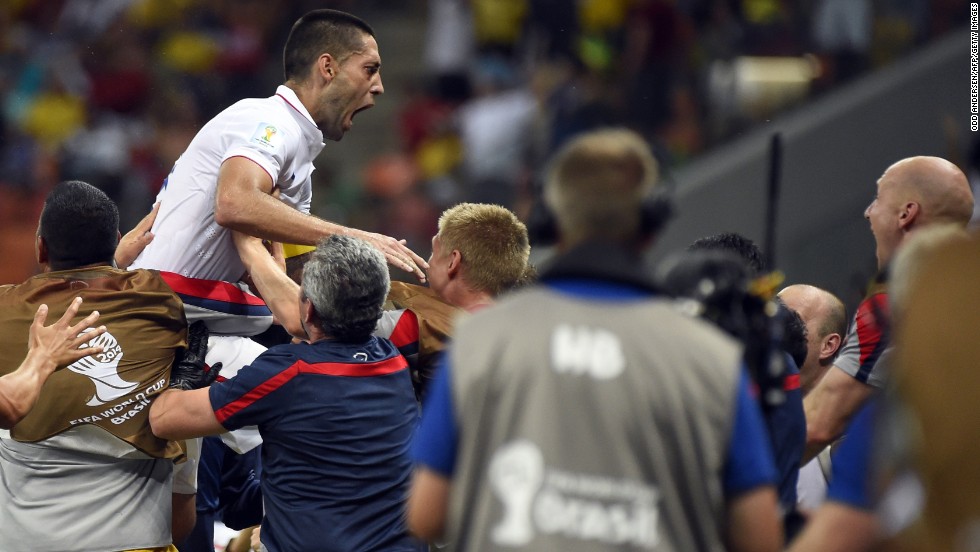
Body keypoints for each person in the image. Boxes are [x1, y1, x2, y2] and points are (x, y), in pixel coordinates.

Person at [406, 128, 782, 551]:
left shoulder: (482, 341)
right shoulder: (712, 359)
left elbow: (426, 514)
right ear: (652, 226)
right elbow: (760, 539)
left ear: (551, 220)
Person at [149, 235, 424, 552]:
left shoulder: (286, 374)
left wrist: (183, 381)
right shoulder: (393, 359)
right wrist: (254, 251)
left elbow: (164, 420)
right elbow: (303, 322)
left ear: (307, 310)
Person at [131, 8, 426, 282]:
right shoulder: (268, 121)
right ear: (328, 68)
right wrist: (353, 237)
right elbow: (233, 204)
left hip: (186, 312)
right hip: (154, 310)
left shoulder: (296, 153)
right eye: (369, 69)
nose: (379, 86)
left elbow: (289, 271)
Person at [0, 180, 198, 552]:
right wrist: (112, 264)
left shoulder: (4, 311)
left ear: (41, 247)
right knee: (184, 394)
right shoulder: (160, 301)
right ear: (116, 239)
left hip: (24, 541)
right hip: (138, 541)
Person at [802, 156, 974, 462]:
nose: (869, 213)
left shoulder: (895, 305)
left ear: (906, 213)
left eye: (878, 198)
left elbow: (817, 424)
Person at [777, 284, 847, 515]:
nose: (775, 330)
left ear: (829, 345)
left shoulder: (849, 435)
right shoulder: (757, 413)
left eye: (791, 321)